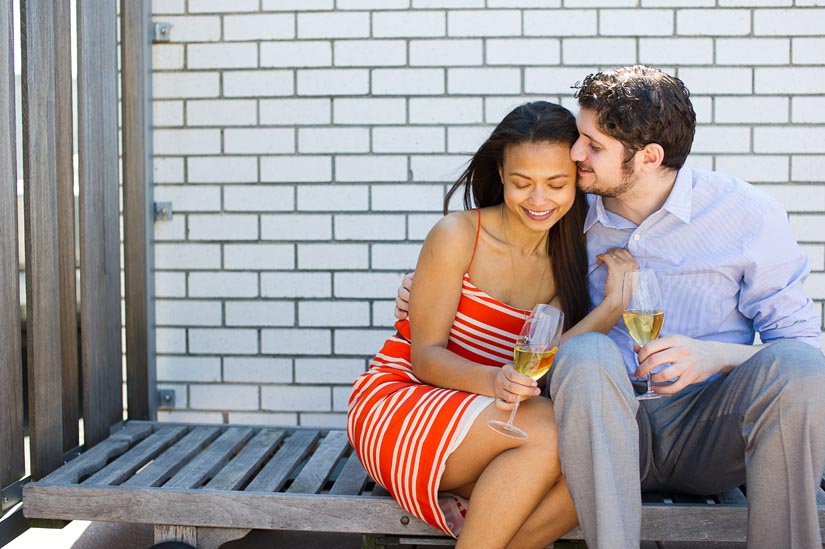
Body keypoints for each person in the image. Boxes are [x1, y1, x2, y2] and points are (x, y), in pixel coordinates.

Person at [395, 65, 825, 548]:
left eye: (592, 145)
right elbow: (498, 256)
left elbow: (805, 346)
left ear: (648, 157)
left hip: (708, 429)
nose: (576, 154)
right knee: (586, 353)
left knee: (801, 367)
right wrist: (430, 285)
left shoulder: (746, 214)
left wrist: (714, 357)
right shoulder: (562, 211)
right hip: (601, 430)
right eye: (580, 138)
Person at [347, 101, 637, 548]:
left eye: (556, 184)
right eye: (522, 183)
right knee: (547, 429)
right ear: (501, 175)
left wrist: (611, 308)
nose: (538, 201)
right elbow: (425, 358)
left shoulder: (568, 258)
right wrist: (495, 380)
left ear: (577, 183)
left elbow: (545, 362)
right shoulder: (458, 235)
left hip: (494, 421)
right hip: (405, 400)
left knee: (593, 470)